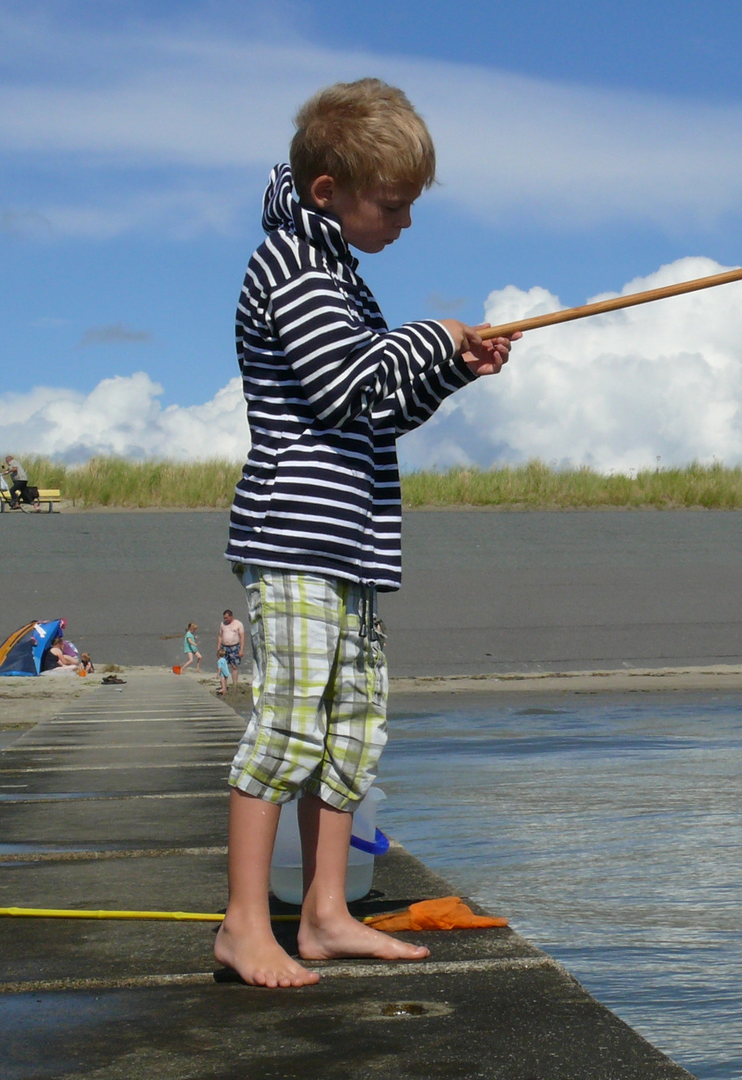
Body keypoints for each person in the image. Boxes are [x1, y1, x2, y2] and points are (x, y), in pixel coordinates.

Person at [213, 78, 514, 989]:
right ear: (327, 191)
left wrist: (450, 369)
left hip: (348, 545)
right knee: (289, 727)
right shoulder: (292, 270)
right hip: (296, 540)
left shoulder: (339, 274)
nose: (406, 221)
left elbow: (376, 411)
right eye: (394, 204)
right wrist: (434, 334)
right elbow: (345, 383)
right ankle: (241, 925)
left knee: (349, 731)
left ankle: (326, 913)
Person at [215, 610, 243, 687]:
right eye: (224, 618)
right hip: (224, 647)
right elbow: (220, 636)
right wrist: (218, 648)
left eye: (227, 618)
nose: (225, 619)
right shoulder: (222, 624)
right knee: (222, 665)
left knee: (234, 666)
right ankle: (224, 685)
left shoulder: (238, 624)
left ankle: (235, 684)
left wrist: (241, 650)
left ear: (231, 616)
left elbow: (242, 637)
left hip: (234, 646)